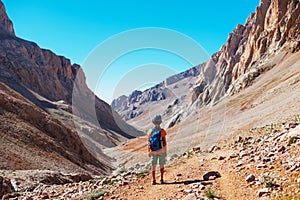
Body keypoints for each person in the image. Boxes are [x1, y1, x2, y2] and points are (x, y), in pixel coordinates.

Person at [147, 114, 167, 185]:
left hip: (153, 151)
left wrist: (149, 151)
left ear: (153, 122)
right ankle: (161, 179)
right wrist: (165, 152)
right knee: (161, 164)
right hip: (161, 151)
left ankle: (153, 180)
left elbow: (149, 142)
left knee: (153, 165)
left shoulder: (149, 131)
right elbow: (164, 142)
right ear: (160, 122)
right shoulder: (162, 131)